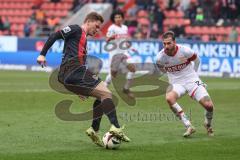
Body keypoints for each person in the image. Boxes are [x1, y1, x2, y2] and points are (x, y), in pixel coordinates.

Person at [36, 12, 130, 147]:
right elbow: (54, 35)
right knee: (107, 94)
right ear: (89, 21)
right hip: (73, 70)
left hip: (69, 76)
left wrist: (78, 89)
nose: (97, 30)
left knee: (101, 93)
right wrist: (42, 55)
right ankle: (115, 127)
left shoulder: (83, 38)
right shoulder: (75, 29)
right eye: (96, 26)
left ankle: (94, 129)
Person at [156, 31, 214, 137]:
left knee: (209, 106)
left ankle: (208, 124)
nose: (166, 46)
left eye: (169, 43)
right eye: (164, 43)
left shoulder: (185, 51)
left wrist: (195, 76)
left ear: (174, 42)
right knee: (169, 98)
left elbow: (197, 60)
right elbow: (160, 68)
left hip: (192, 80)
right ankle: (188, 126)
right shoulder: (160, 57)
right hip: (176, 83)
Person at [104, 10, 136, 98]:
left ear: (122, 18)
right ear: (113, 19)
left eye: (119, 17)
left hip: (124, 52)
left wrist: (130, 47)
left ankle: (126, 89)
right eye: (116, 17)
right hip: (115, 54)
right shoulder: (112, 28)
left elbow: (125, 40)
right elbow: (106, 40)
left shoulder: (125, 27)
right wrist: (111, 37)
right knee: (113, 74)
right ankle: (104, 88)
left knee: (132, 69)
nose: (117, 19)